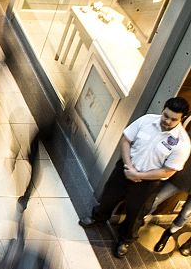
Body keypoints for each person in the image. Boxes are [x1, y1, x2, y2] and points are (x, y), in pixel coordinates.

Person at [79, 97, 191, 258]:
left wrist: (139, 175)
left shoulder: (182, 143)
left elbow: (168, 171)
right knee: (108, 198)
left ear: (182, 119)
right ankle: (98, 218)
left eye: (174, 119)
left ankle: (125, 240)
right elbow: (126, 140)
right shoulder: (146, 120)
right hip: (124, 170)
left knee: (135, 214)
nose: (167, 121)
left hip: (148, 183)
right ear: (163, 110)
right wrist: (129, 167)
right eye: (166, 116)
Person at [149, 165, 191, 255]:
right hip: (184, 175)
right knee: (155, 199)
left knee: (185, 214)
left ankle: (167, 234)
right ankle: (138, 220)